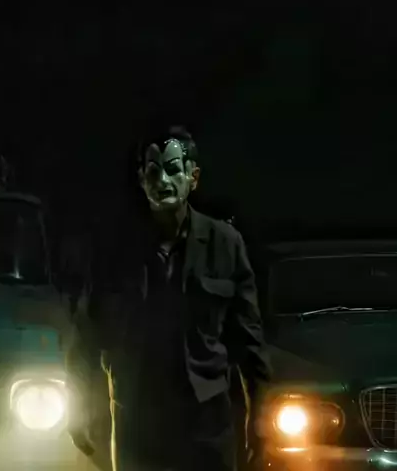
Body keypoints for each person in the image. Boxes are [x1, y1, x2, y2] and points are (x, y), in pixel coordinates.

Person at [67, 125, 271, 471]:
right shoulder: (114, 247)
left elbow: (249, 339)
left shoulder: (224, 243)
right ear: (141, 179)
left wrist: (260, 414)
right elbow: (87, 333)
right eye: (152, 171)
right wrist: (80, 407)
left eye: (173, 169)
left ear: (193, 177)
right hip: (138, 419)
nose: (162, 180)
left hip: (206, 421)